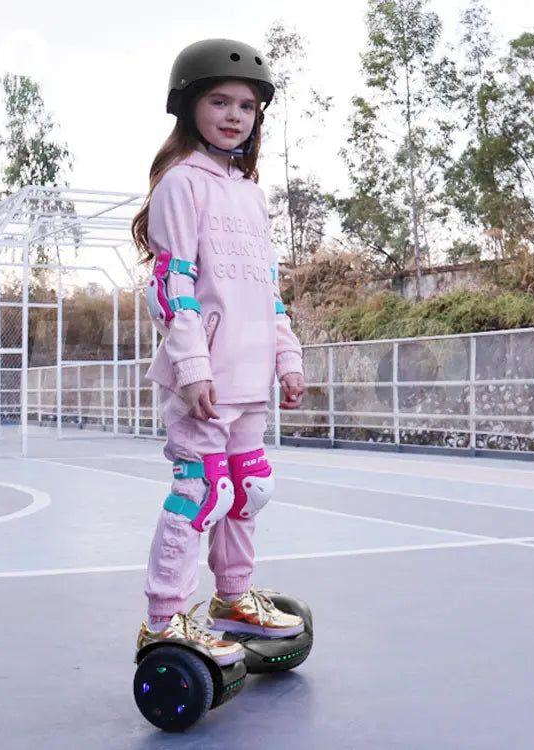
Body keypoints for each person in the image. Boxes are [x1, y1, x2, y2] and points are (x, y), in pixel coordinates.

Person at [131, 38, 306, 665]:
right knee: (198, 492)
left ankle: (232, 599)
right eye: (219, 101)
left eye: (247, 106)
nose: (235, 115)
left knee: (245, 490)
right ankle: (165, 619)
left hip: (249, 373)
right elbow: (171, 282)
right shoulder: (183, 184)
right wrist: (192, 366)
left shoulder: (251, 195)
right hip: (202, 376)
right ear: (188, 106)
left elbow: (267, 290)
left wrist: (287, 358)